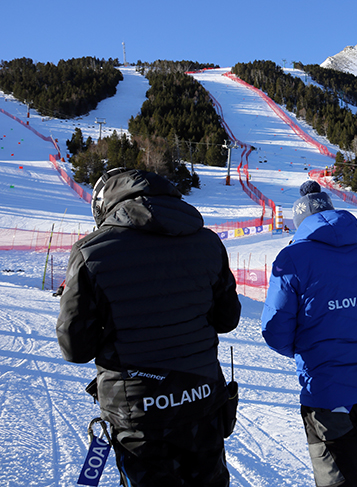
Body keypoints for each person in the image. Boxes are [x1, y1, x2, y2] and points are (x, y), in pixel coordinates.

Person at [56, 168, 241, 487]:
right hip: (202, 396)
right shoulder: (208, 242)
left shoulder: (91, 252)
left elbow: (75, 348)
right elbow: (227, 320)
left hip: (138, 407)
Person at [261, 180, 357, 487]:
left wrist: (310, 348)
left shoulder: (292, 258)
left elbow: (275, 329)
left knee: (339, 480)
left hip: (327, 392)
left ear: (300, 223)